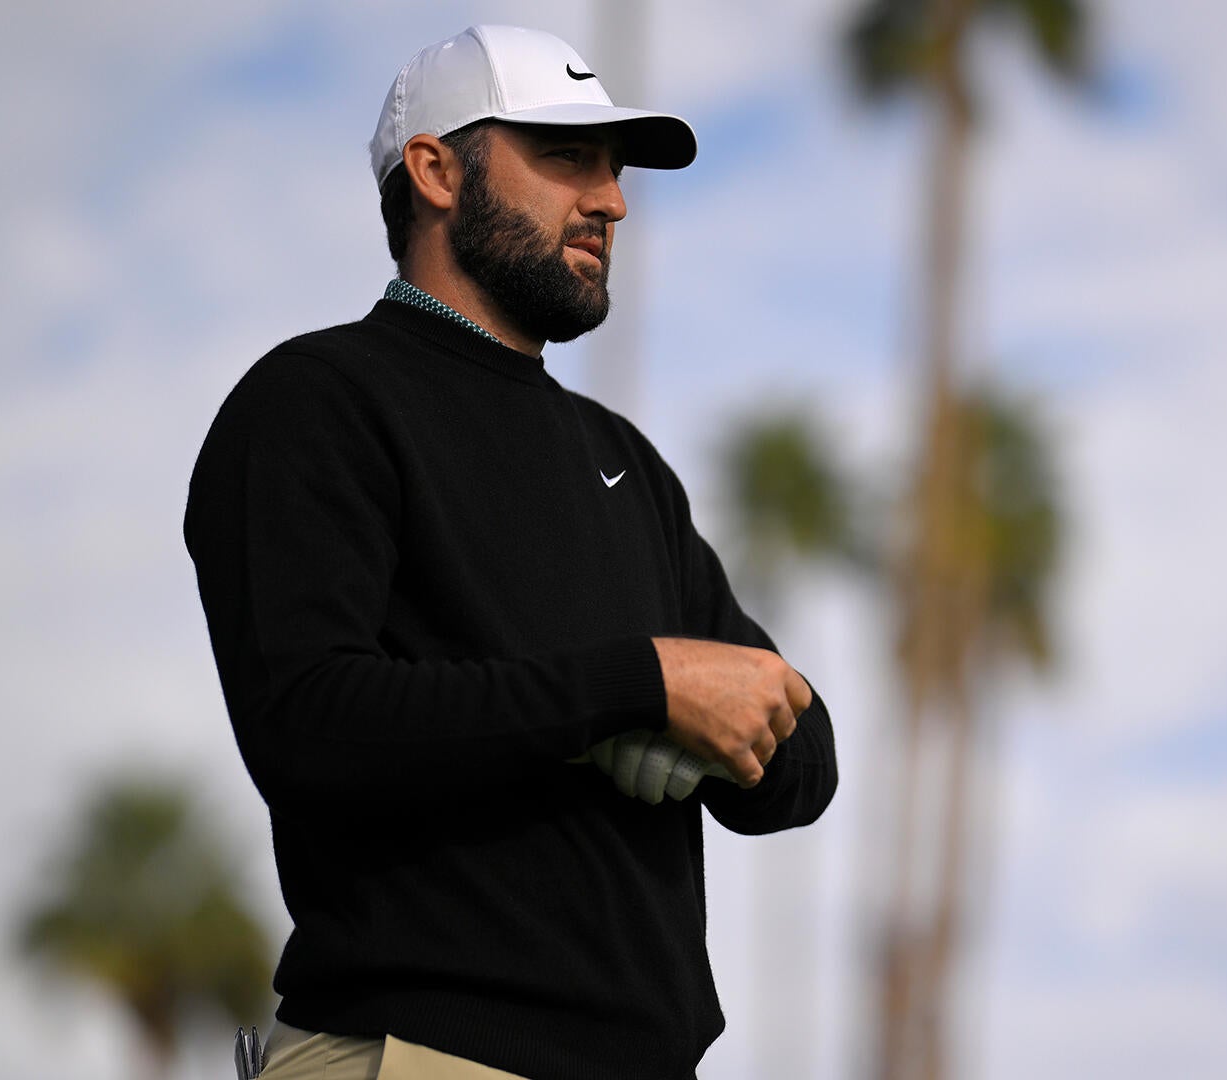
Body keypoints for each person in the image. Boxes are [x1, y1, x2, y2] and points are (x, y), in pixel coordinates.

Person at [183, 25, 838, 1080]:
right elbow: (307, 726)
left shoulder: (624, 462)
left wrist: (706, 730)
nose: (612, 201)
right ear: (436, 171)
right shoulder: (316, 402)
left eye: (614, 169)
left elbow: (802, 755)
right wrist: (635, 689)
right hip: (414, 1053)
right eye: (567, 156)